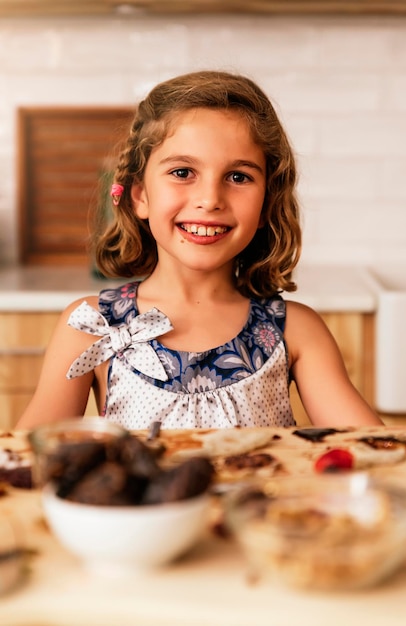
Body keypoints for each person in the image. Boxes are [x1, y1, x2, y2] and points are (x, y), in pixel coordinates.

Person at [17, 70, 382, 430]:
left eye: (238, 177)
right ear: (140, 195)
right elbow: (23, 461)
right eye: (182, 172)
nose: (210, 200)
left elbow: (381, 457)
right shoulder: (91, 326)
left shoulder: (296, 331)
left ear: (266, 205)